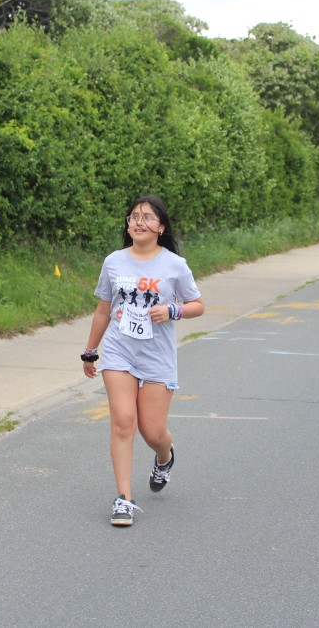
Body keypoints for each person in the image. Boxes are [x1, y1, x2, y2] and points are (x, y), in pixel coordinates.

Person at [82, 195, 205, 526]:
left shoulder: (174, 265)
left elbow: (197, 305)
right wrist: (90, 351)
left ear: (161, 227)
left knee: (152, 431)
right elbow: (103, 310)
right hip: (119, 351)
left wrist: (172, 310)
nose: (139, 222)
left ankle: (164, 456)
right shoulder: (114, 262)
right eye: (134, 216)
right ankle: (124, 499)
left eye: (148, 217)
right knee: (124, 422)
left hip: (156, 356)